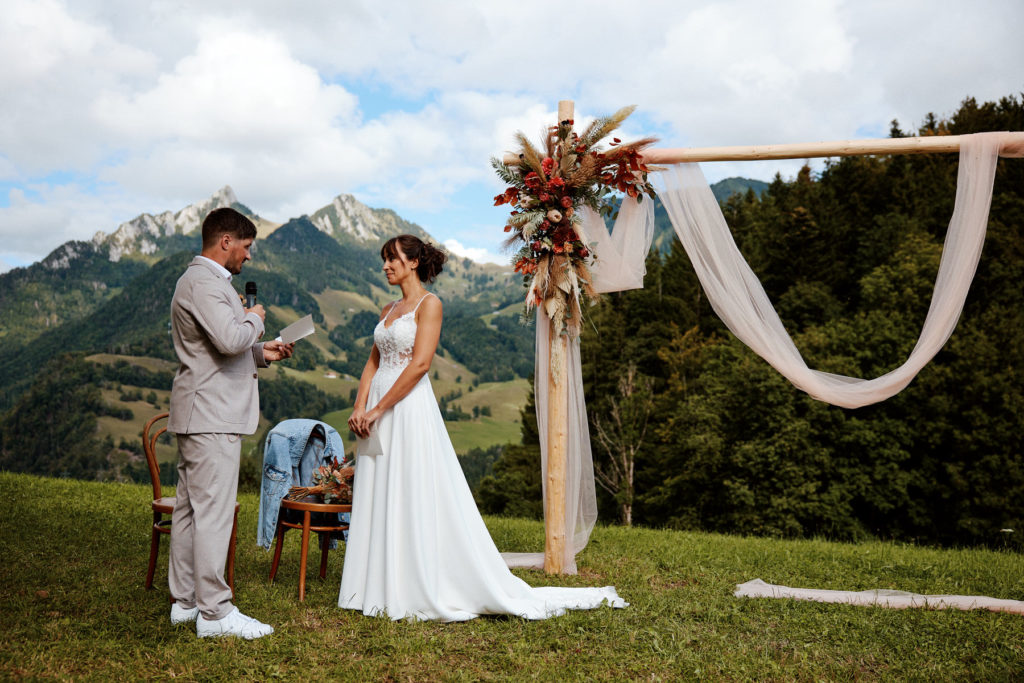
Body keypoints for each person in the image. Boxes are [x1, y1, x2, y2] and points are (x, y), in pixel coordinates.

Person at [340, 234, 625, 621]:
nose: (386, 266)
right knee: (379, 487)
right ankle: (371, 585)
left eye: (392, 259)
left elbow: (420, 364)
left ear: (413, 263)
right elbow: (373, 363)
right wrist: (361, 406)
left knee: (408, 486)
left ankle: (411, 582)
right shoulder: (388, 308)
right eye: (384, 260)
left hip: (406, 409)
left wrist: (379, 410)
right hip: (376, 407)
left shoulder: (430, 304)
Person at [167, 207, 294, 639]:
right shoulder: (203, 282)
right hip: (212, 414)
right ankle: (216, 613)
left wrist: (263, 353)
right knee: (214, 514)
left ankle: (185, 603)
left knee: (189, 511)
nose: (249, 256)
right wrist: (256, 318)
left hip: (200, 411)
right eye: (246, 247)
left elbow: (218, 350)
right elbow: (229, 338)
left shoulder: (203, 283)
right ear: (226, 241)